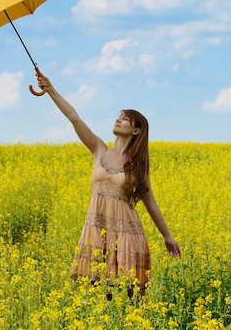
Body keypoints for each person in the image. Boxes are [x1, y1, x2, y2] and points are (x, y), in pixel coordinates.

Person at [36, 72, 181, 297]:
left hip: (127, 236)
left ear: (136, 131)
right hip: (97, 232)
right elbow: (74, 117)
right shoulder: (99, 149)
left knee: (128, 300)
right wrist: (51, 90)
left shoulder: (138, 167)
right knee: (98, 298)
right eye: (119, 116)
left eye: (125, 118)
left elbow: (150, 203)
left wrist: (167, 236)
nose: (118, 119)